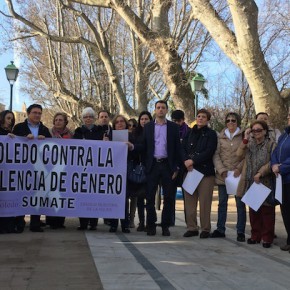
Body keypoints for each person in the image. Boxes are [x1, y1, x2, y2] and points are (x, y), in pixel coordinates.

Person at [134, 100, 181, 236]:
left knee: (168, 197)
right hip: (152, 165)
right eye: (158, 107)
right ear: (155, 110)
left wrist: (177, 167)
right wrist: (132, 146)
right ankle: (151, 224)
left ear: (167, 110)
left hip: (168, 166)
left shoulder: (173, 127)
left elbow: (177, 148)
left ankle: (165, 225)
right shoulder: (148, 127)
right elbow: (143, 145)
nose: (160, 110)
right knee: (149, 197)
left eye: (163, 108)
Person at [236, 120, 276, 248]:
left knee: (267, 211)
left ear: (265, 131)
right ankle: (255, 235)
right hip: (252, 182)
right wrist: (246, 139)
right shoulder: (250, 144)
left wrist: (261, 172)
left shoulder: (271, 144)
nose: (256, 132)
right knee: (254, 212)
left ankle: (267, 238)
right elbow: (239, 155)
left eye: (259, 130)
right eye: (254, 130)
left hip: (265, 181)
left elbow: (273, 162)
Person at [13, 104, 51, 232]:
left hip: (39, 169)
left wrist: (44, 140)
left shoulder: (45, 130)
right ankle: (19, 223)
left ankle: (35, 224)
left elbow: (51, 148)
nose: (37, 115)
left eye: (39, 113)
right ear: (28, 113)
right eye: (34, 112)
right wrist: (24, 137)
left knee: (37, 195)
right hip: (22, 169)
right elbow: (12, 144)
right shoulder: (19, 128)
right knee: (21, 193)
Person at [181, 108, 217, 239]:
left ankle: (205, 228)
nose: (200, 118)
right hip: (189, 171)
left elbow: (209, 151)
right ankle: (192, 227)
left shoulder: (211, 134)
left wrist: (193, 161)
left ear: (207, 120)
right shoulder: (189, 133)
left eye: (203, 117)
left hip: (205, 172)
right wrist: (186, 161)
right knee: (189, 202)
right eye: (198, 116)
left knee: (205, 202)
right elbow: (182, 148)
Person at [211, 112, 246, 242]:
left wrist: (239, 168)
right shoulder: (220, 137)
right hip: (223, 176)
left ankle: (240, 231)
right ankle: (220, 229)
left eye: (233, 120)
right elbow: (216, 155)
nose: (231, 123)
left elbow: (246, 155)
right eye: (228, 121)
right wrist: (221, 170)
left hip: (238, 175)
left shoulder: (243, 137)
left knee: (240, 205)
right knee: (222, 204)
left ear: (237, 122)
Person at [73, 107, 104, 231]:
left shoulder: (100, 131)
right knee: (82, 195)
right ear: (82, 118)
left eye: (90, 116)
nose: (88, 119)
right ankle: (83, 223)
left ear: (94, 118)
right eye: (85, 117)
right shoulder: (78, 131)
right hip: (82, 169)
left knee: (94, 195)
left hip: (97, 168)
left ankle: (93, 223)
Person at [46, 113, 73, 229]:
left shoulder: (71, 134)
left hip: (65, 169)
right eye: (56, 120)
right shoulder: (48, 133)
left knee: (62, 194)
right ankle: (50, 220)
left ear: (65, 122)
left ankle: (60, 221)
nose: (58, 122)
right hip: (50, 168)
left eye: (60, 120)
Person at [128, 111, 153, 231]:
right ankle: (141, 222)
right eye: (142, 119)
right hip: (138, 168)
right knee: (139, 197)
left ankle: (149, 222)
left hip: (151, 168)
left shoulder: (154, 132)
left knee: (149, 197)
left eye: (146, 119)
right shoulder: (134, 133)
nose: (143, 121)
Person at [271, 111, 290, 251]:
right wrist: (274, 164)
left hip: (286, 174)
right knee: (286, 211)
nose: (288, 118)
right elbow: (275, 152)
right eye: (288, 116)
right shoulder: (284, 135)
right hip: (282, 180)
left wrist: (282, 167)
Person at [109, 115, 131, 233]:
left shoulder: (130, 136)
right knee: (113, 197)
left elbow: (138, 148)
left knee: (124, 199)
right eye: (117, 122)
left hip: (126, 170)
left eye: (122, 121)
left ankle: (125, 224)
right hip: (112, 171)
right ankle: (113, 224)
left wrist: (131, 146)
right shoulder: (109, 136)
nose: (120, 123)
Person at [171, 109, 190, 225]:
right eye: (174, 121)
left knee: (187, 196)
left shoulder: (189, 132)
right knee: (170, 195)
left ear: (183, 120)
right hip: (172, 167)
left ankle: (189, 221)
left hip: (185, 168)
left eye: (178, 121)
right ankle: (170, 220)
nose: (176, 123)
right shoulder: (169, 130)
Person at [0, 110, 17, 233]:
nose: (10, 121)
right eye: (8, 118)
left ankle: (8, 226)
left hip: (8, 173)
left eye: (12, 119)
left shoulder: (12, 134)